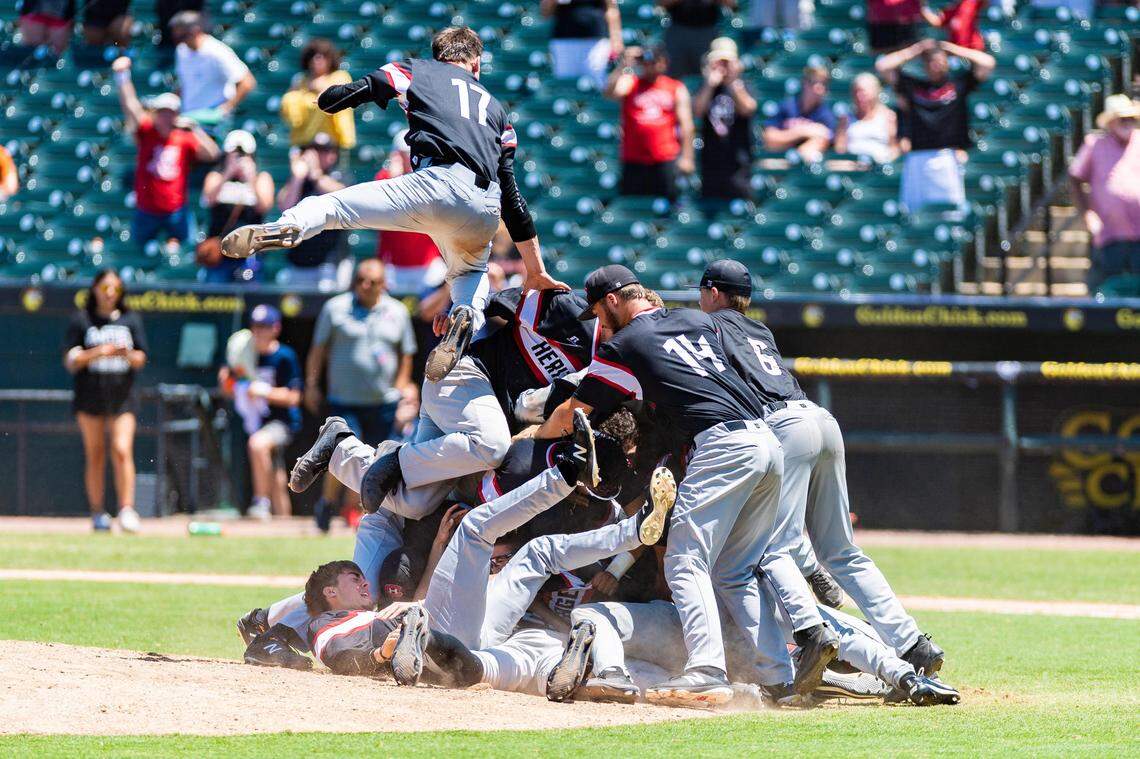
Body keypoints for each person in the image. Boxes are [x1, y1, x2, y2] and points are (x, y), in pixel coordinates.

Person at [537, 265, 840, 707]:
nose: (599, 325)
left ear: (615, 300)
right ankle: (779, 678)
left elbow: (573, 414)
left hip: (720, 445)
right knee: (734, 570)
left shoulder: (624, 345)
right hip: (766, 438)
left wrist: (533, 437)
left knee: (683, 557)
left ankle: (707, 670)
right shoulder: (696, 319)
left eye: (599, 314)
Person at [221, 26, 566, 384]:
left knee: (331, 207)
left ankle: (289, 226)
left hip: (435, 183)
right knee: (469, 274)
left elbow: (351, 93)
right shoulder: (499, 114)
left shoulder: (417, 70)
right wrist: (535, 270)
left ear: (439, 56)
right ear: (476, 64)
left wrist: (327, 99)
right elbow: (512, 197)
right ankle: (465, 313)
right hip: (484, 205)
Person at [696, 259, 947, 676]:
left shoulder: (711, 326)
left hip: (782, 425)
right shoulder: (760, 329)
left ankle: (812, 636)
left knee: (772, 545)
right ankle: (912, 642)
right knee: (844, 550)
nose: (701, 300)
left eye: (703, 292)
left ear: (714, 293)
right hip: (819, 419)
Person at [306, 259, 418, 532]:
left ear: (384, 284)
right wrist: (311, 384)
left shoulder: (397, 311)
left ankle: (350, 511)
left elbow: (406, 354)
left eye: (372, 281)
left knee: (371, 459)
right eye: (360, 280)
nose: (365, 286)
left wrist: (403, 385)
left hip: (383, 402)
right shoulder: (336, 308)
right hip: (344, 400)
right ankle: (327, 504)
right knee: (344, 451)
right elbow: (318, 350)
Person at [63, 269, 147, 533]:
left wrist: (126, 354)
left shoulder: (131, 319)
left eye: (115, 288)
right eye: (105, 287)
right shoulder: (81, 320)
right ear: (95, 289)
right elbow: (70, 360)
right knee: (96, 453)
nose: (110, 293)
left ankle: (126, 509)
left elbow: (141, 358)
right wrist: (98, 353)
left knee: (122, 450)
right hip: (90, 396)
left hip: (123, 396)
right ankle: (98, 512)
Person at [111, 56, 220, 253]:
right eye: (162, 112)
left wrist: (195, 130)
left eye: (170, 112)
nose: (166, 117)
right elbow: (131, 107)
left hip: (175, 209)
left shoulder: (184, 137)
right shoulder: (146, 132)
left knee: (187, 251)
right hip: (146, 209)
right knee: (138, 253)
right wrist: (122, 77)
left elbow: (212, 154)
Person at [877, 38, 994, 213]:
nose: (936, 64)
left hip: (947, 157)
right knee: (913, 212)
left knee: (950, 213)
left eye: (940, 59)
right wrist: (915, 50)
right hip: (917, 158)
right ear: (924, 65)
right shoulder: (914, 86)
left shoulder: (957, 85)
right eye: (931, 61)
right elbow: (883, 66)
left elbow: (988, 63)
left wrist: (953, 49)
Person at [218, 305, 303, 521]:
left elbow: (294, 397)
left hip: (281, 422)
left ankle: (260, 502)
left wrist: (265, 392)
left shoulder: (284, 355)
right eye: (255, 326)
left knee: (257, 444)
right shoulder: (246, 352)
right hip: (256, 421)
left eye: (264, 327)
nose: (259, 332)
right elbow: (230, 390)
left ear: (275, 328)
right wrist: (227, 382)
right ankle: (283, 525)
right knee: (276, 476)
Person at [605, 45, 696, 202]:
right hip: (634, 159)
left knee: (667, 206)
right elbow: (609, 93)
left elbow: (686, 125)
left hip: (664, 157)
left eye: (654, 61)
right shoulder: (631, 83)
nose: (649, 65)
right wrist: (623, 65)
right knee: (634, 206)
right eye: (646, 61)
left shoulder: (675, 87)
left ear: (664, 63)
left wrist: (687, 157)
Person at [1068, 94, 1140, 291]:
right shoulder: (1095, 145)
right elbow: (1074, 178)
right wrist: (1088, 215)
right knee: (1104, 289)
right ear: (1110, 122)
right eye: (1122, 118)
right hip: (1109, 235)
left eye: (1130, 118)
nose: (1128, 122)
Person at [372, 129, 446, 296]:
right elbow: (380, 209)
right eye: (406, 153)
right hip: (394, 267)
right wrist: (394, 179)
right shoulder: (385, 179)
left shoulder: (431, 178)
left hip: (428, 266)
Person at [274, 132, 349, 290]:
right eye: (313, 150)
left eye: (323, 150)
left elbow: (343, 198)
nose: (316, 155)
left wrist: (315, 173)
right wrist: (297, 178)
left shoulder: (340, 176)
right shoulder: (300, 180)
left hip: (329, 262)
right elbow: (285, 206)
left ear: (333, 155)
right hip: (298, 261)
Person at [199, 129, 275, 283]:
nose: (239, 159)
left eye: (243, 155)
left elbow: (264, 206)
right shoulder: (216, 176)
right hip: (220, 253)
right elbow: (208, 200)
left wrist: (250, 178)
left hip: (249, 253)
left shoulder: (261, 178)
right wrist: (228, 173)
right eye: (234, 154)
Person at [692, 38, 756, 201]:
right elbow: (697, 111)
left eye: (727, 62)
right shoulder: (706, 87)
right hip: (711, 164)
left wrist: (733, 81)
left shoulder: (743, 86)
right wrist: (709, 84)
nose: (723, 66)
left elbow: (748, 108)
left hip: (738, 164)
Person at [169, 11, 256, 129]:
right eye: (176, 38)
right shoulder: (181, 51)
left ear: (196, 31)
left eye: (183, 36)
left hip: (212, 123)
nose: (180, 41)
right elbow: (184, 84)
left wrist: (225, 109)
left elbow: (247, 82)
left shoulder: (217, 51)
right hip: (188, 119)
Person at [280, 38, 357, 149]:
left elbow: (340, 95)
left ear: (331, 59)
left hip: (333, 144)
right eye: (313, 55)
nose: (318, 59)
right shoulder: (301, 80)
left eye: (323, 55)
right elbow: (289, 110)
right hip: (305, 143)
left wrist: (314, 87)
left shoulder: (340, 76)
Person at [762, 65, 837, 163]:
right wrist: (801, 132)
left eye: (824, 84)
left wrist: (795, 156)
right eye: (815, 82)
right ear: (805, 83)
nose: (820, 88)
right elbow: (769, 138)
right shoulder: (787, 106)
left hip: (807, 165)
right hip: (781, 158)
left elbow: (823, 139)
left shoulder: (826, 114)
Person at [541, 0, 623, 89]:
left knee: (597, 83)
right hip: (564, 40)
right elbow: (545, 13)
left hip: (596, 41)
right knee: (566, 85)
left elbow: (611, 9)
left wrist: (616, 39)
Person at [657, 0, 736, 78]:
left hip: (708, 32)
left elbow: (731, 4)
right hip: (678, 31)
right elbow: (661, 3)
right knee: (671, 75)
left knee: (710, 75)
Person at [834, 73, 899, 164]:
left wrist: (885, 163)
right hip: (852, 167)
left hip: (879, 168)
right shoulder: (846, 118)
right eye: (856, 92)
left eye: (863, 92)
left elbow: (894, 148)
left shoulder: (889, 117)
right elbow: (840, 149)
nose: (859, 96)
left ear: (874, 92)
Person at [922, 0, 986, 51]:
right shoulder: (951, 10)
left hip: (974, 49)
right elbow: (936, 22)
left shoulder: (971, 2)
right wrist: (923, 8)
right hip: (958, 52)